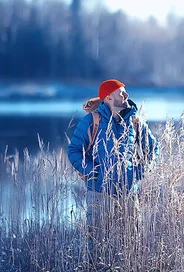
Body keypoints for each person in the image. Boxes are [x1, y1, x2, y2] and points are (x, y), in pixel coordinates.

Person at [67, 79, 158, 258]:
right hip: (99, 193)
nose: (126, 95)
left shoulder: (134, 122)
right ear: (108, 97)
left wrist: (139, 172)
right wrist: (94, 172)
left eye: (125, 91)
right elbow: (74, 150)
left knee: (133, 241)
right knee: (97, 244)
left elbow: (153, 149)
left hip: (128, 192)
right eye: (121, 92)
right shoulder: (91, 121)